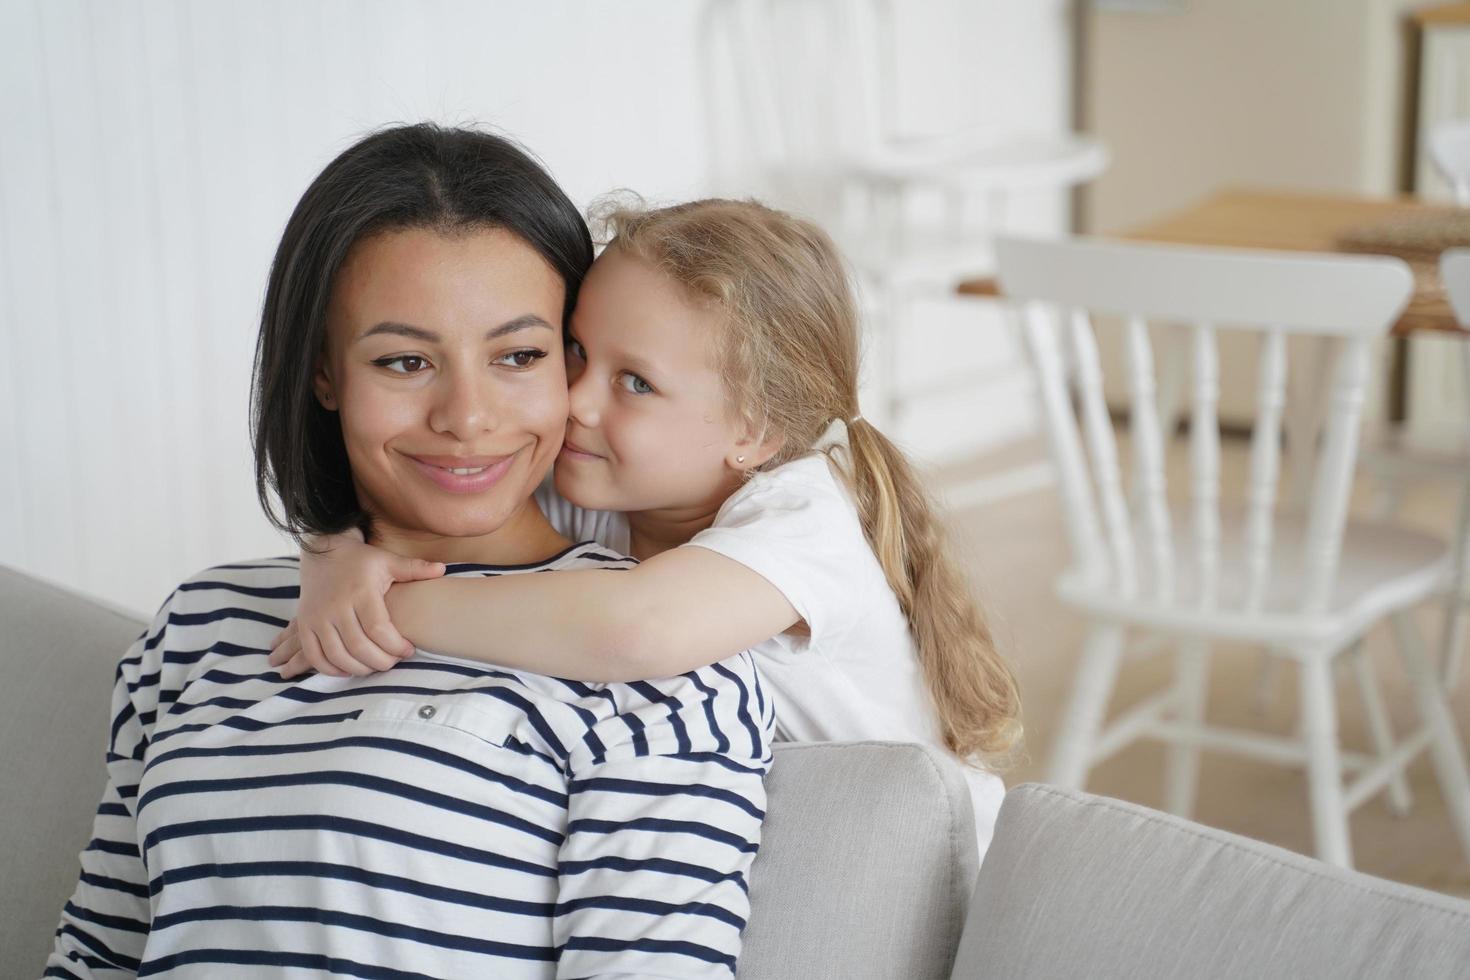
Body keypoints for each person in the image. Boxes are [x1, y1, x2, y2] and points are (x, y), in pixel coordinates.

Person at [45, 125, 771, 980]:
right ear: (324, 373)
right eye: (403, 360)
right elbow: (97, 951)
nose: (467, 416)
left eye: (519, 355)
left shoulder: (660, 663)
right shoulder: (200, 624)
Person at [268, 197, 1021, 857]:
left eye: (636, 382)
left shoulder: (807, 513)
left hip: (941, 891)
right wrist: (332, 552)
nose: (580, 402)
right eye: (576, 355)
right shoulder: (604, 480)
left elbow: (637, 628)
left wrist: (380, 608)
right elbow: (431, 525)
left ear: (754, 429)